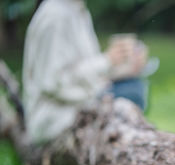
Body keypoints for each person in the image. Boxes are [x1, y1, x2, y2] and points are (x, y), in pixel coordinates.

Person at [23, 0, 154, 144]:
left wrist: (128, 66)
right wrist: (107, 60)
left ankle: (134, 146)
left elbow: (87, 71)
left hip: (78, 103)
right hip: (55, 117)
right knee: (132, 93)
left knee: (133, 85)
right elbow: (52, 82)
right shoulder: (55, 15)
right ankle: (131, 149)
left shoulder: (77, 10)